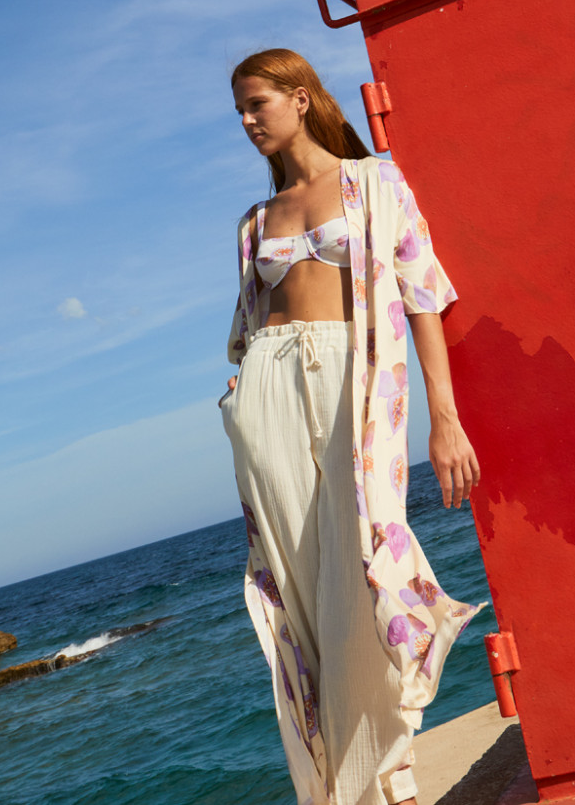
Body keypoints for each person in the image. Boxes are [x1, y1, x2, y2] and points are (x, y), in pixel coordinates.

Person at [221, 48, 484, 805]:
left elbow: (423, 297)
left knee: (363, 567)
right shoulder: (254, 222)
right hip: (268, 393)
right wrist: (242, 393)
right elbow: (250, 326)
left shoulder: (375, 182)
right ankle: (352, 786)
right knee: (299, 585)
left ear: (300, 98)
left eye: (258, 104)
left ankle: (386, 774)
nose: (247, 121)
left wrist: (444, 418)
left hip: (356, 382)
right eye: (240, 111)